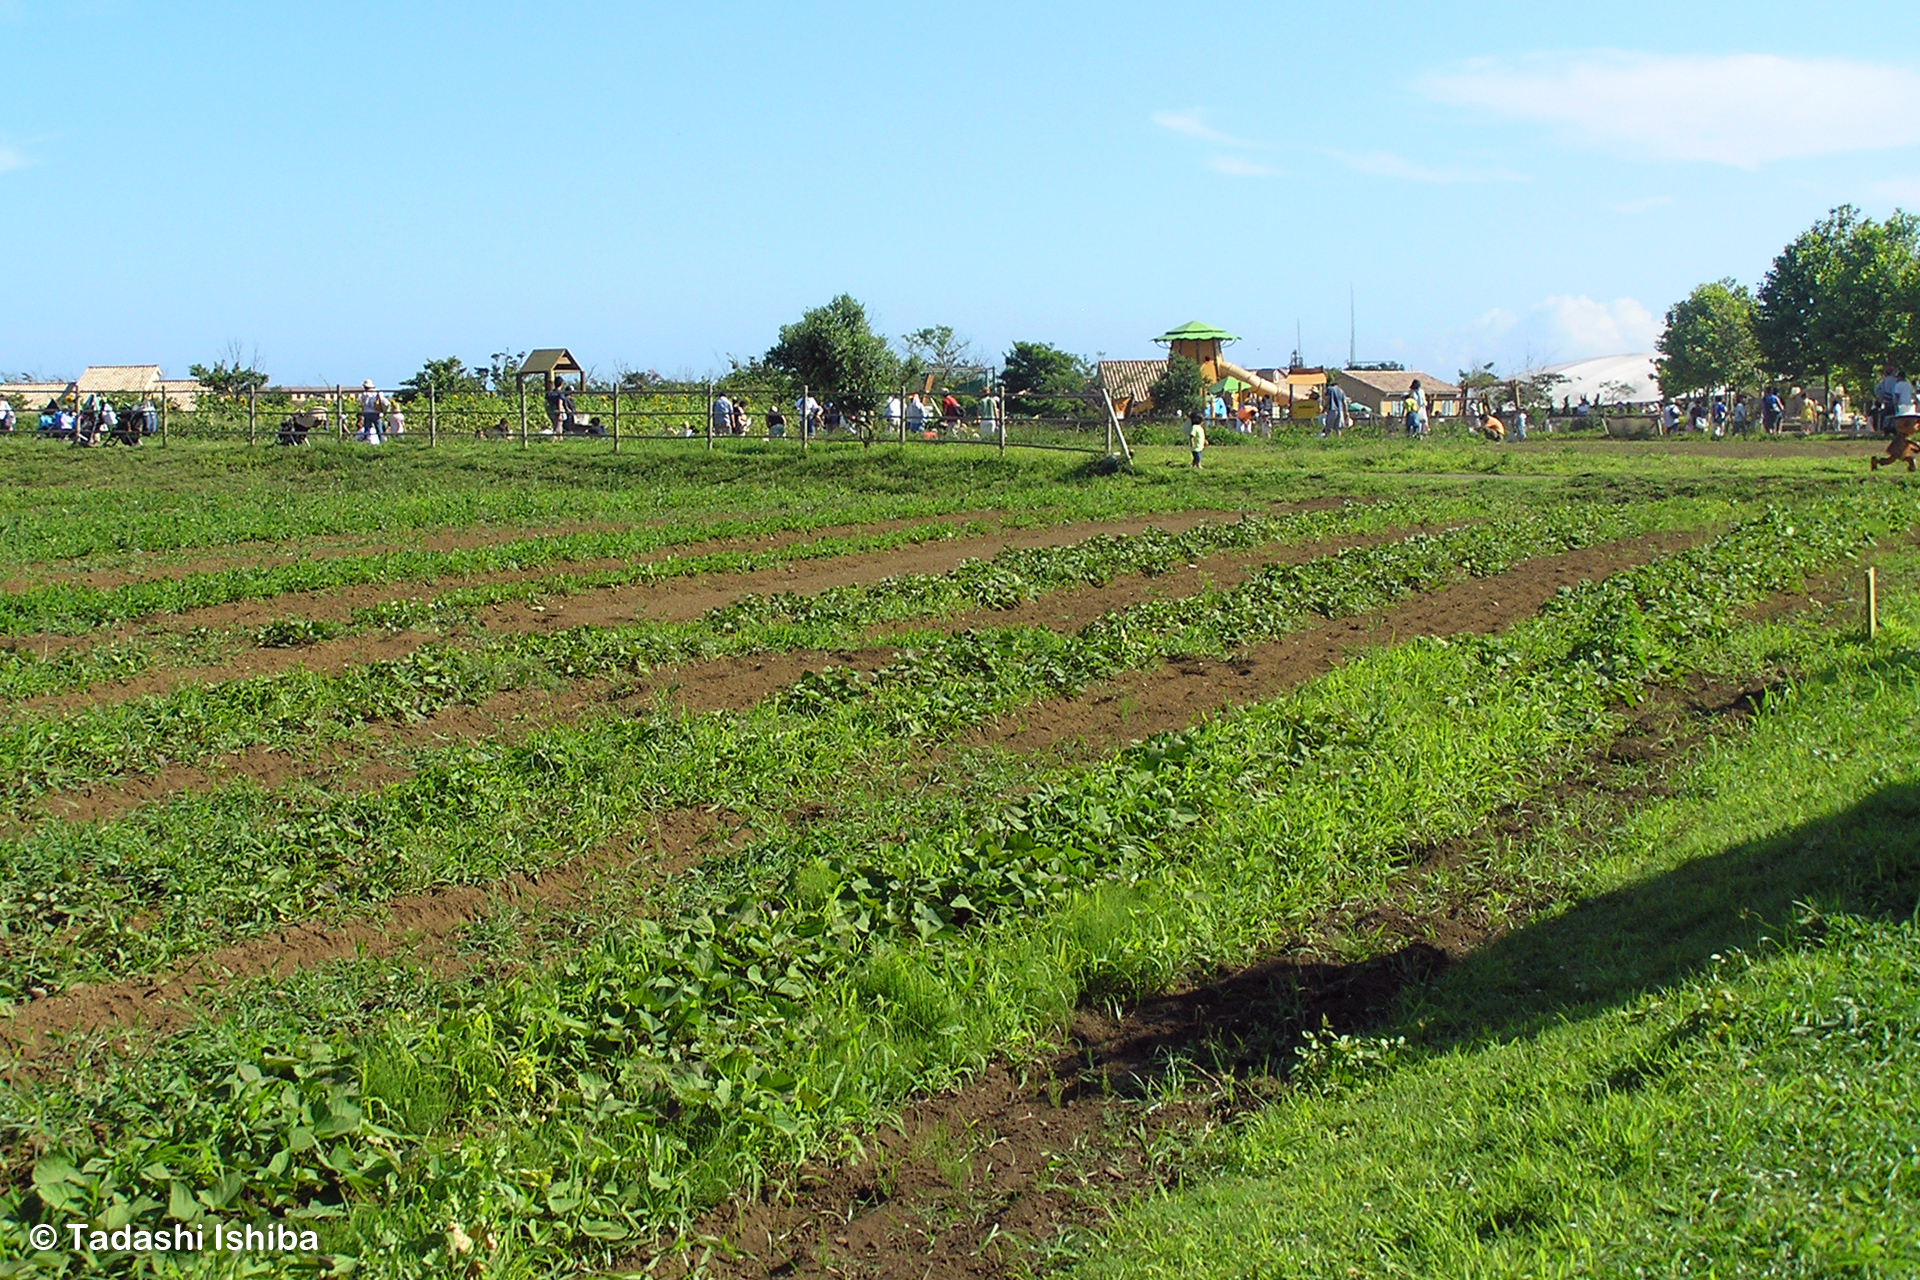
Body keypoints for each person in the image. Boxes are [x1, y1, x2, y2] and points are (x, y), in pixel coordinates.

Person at [1871, 369, 1920, 472]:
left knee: (1895, 457)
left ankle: (1877, 462)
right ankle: (1876, 462)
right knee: (1892, 458)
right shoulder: (1909, 385)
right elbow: (1913, 396)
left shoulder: (1898, 385)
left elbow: (1897, 397)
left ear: (1898, 377)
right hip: (1909, 409)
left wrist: (1896, 406)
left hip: (1901, 410)